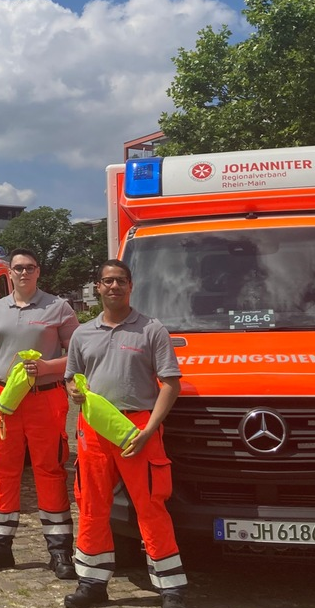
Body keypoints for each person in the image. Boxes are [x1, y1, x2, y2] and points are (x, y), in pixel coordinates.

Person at [63, 260, 187, 608]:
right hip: (94, 430)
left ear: (130, 286)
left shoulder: (152, 329)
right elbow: (72, 376)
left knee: (151, 506)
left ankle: (171, 588)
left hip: (138, 429)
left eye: (120, 281)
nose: (113, 287)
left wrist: (150, 430)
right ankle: (92, 583)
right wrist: (73, 390)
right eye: (107, 281)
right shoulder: (82, 334)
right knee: (91, 506)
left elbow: (171, 384)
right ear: (98, 287)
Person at [0, 248, 80, 579]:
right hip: (4, 401)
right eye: (17, 268)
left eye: (29, 268)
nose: (23, 273)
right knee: (1, 470)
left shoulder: (58, 307)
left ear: (38, 272)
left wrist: (48, 366)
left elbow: (81, 352)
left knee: (49, 470)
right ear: (11, 272)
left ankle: (60, 551)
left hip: (44, 399)